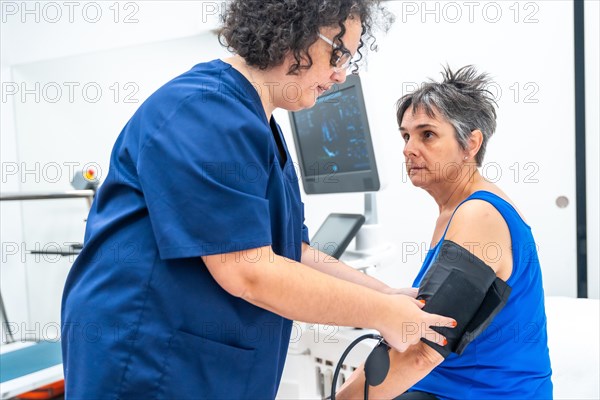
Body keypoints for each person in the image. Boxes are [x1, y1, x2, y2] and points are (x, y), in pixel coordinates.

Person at [60, 1, 456, 399]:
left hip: (201, 357)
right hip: (147, 356)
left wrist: (382, 295)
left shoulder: (260, 126)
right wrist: (382, 314)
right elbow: (248, 271)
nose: (341, 75)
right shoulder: (205, 110)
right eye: (338, 53)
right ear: (292, 33)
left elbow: (293, 251)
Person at [336, 66, 553, 399]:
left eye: (427, 134)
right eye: (405, 136)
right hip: (441, 389)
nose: (409, 148)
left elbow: (424, 351)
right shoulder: (453, 213)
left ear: (471, 143)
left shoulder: (478, 215)